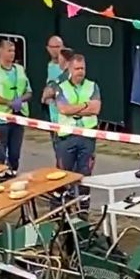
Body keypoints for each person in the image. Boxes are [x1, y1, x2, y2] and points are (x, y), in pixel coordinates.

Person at [55, 54, 101, 211]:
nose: (80, 72)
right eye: (77, 69)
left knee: (85, 176)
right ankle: (61, 212)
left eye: (82, 68)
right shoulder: (61, 87)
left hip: (87, 137)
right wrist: (86, 106)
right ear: (70, 69)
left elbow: (96, 109)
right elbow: (63, 109)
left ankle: (83, 212)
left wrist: (74, 109)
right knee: (64, 176)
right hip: (67, 137)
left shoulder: (92, 86)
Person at [0, 39, 31, 173]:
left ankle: (12, 173)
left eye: (14, 51)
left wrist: (20, 100)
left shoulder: (20, 70)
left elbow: (29, 91)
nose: (12, 54)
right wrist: (8, 102)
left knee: (15, 153)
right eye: (9, 51)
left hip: (19, 116)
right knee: (0, 152)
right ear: (0, 52)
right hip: (0, 119)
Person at [42, 44, 73, 158]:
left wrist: (47, 96)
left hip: (62, 122)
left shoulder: (65, 76)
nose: (58, 61)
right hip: (59, 120)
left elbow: (49, 92)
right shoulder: (63, 75)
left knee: (62, 157)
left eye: (60, 59)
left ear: (65, 60)